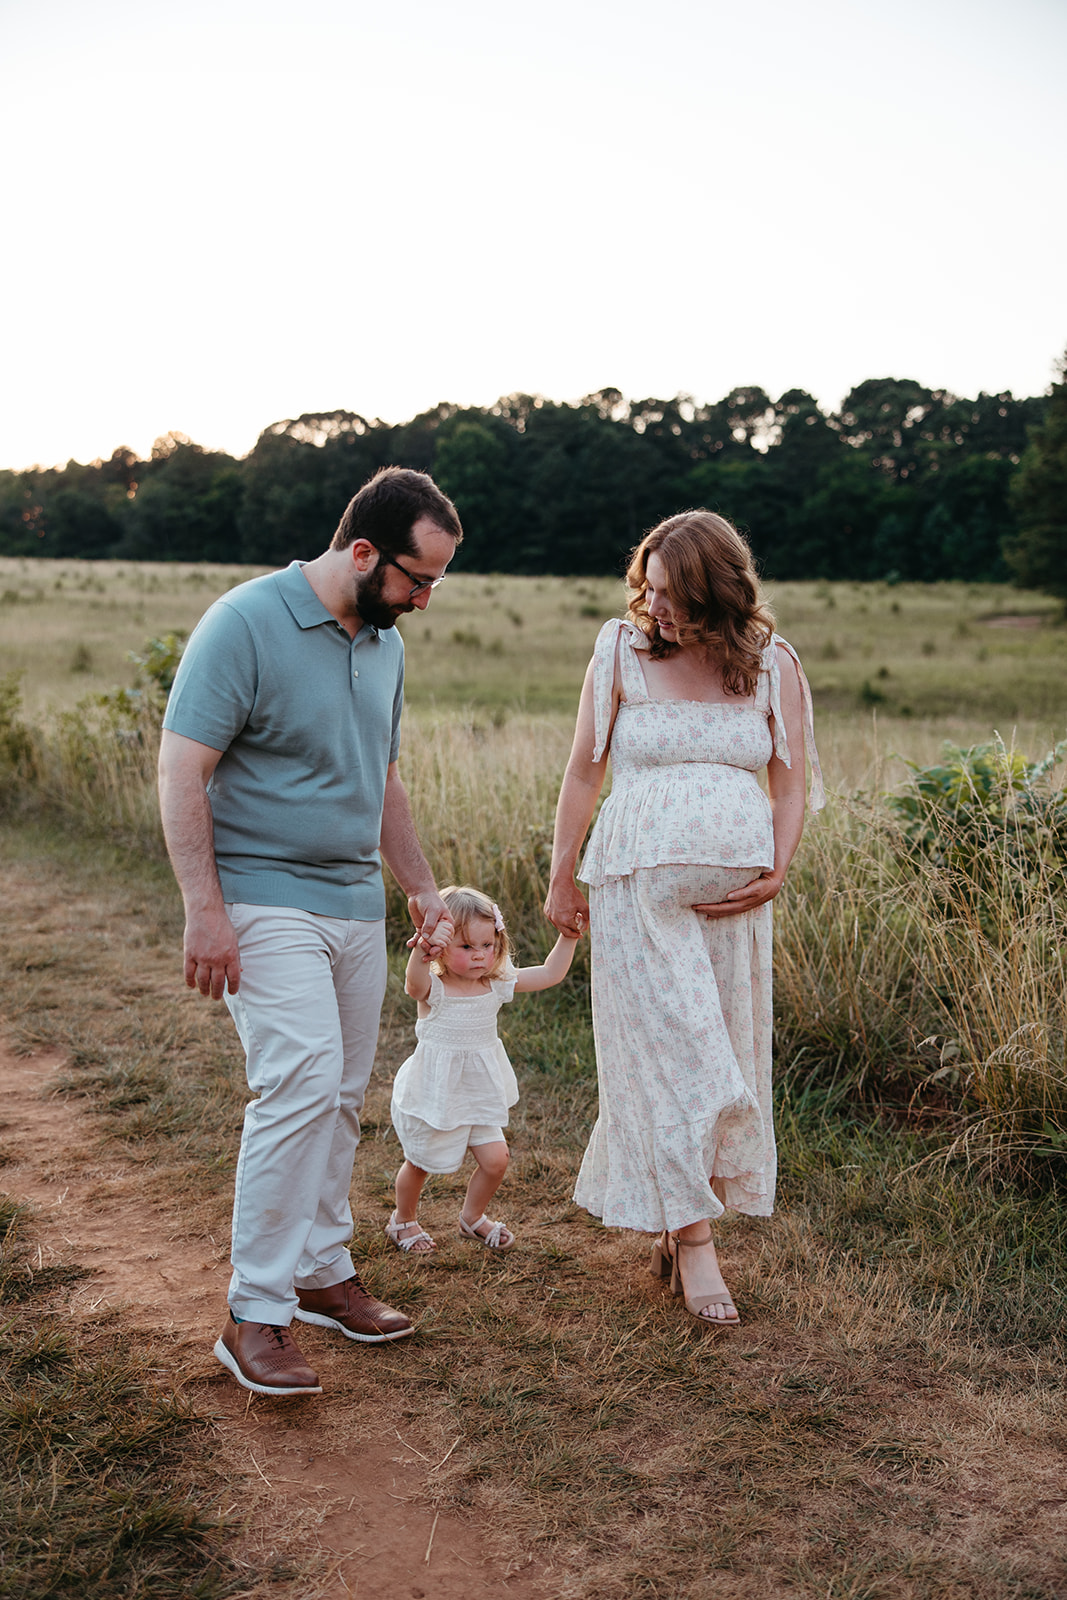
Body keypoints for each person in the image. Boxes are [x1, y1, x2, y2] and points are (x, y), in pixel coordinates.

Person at [158, 466, 463, 1398]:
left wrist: (418, 885)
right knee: (294, 1084)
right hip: (260, 898)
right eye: (417, 579)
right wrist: (205, 909)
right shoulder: (244, 622)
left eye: (436, 584)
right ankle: (255, 1312)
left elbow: (383, 778)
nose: (423, 599)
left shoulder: (384, 645)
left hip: (350, 906)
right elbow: (182, 768)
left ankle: (324, 1271)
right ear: (362, 552)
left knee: (338, 1093)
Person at [544, 510, 823, 1327]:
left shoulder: (771, 664)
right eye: (648, 589)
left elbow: (791, 781)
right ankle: (697, 1242)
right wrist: (561, 875)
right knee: (679, 1058)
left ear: (716, 592)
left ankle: (680, 1219)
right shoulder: (619, 652)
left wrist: (775, 869)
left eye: (671, 595)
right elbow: (580, 774)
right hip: (634, 893)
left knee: (719, 1052)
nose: (654, 608)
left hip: (731, 911)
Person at [385, 885, 581, 1256]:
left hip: (479, 1091)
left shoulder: (495, 984)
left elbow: (550, 973)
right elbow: (413, 985)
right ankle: (403, 1219)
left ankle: (471, 1217)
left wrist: (568, 936)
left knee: (496, 1160)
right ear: (441, 947)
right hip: (437, 1093)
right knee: (421, 1163)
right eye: (466, 947)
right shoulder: (436, 989)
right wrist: (422, 949)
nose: (479, 956)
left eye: (487, 946)